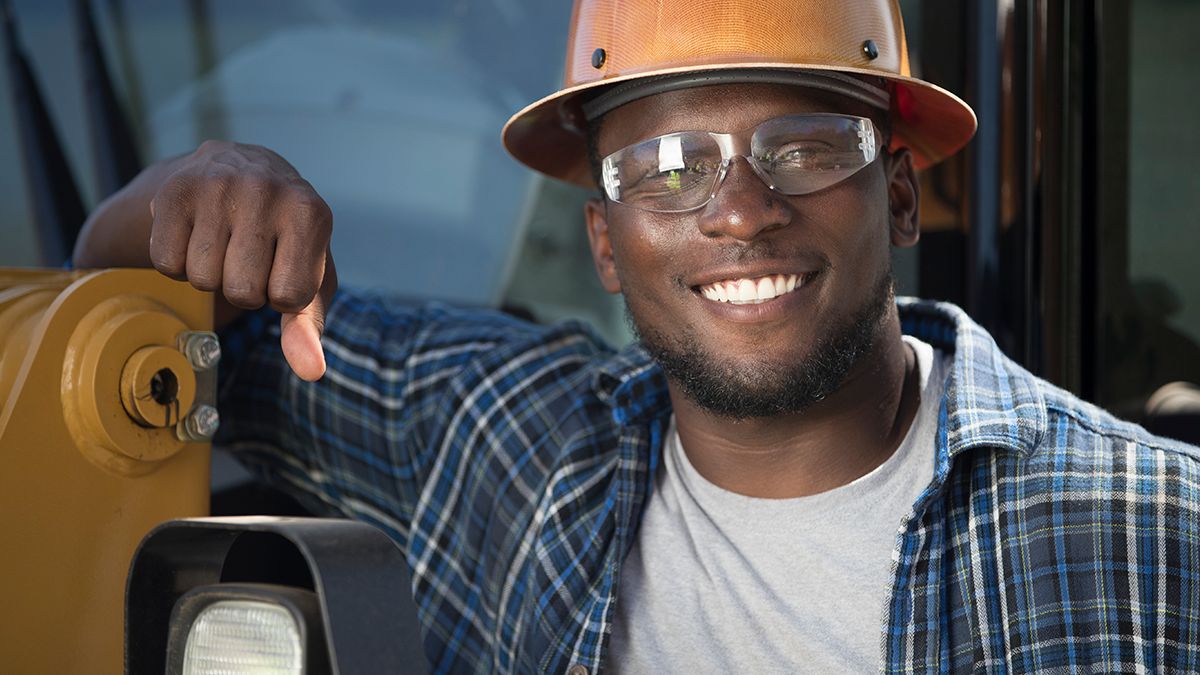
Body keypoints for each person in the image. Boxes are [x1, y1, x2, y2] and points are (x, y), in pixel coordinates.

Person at [73, 0, 1200, 672]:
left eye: (804, 147)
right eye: (666, 169)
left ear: (899, 198)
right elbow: (139, 362)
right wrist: (194, 191)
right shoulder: (500, 439)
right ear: (605, 244)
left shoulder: (1153, 533)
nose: (741, 211)